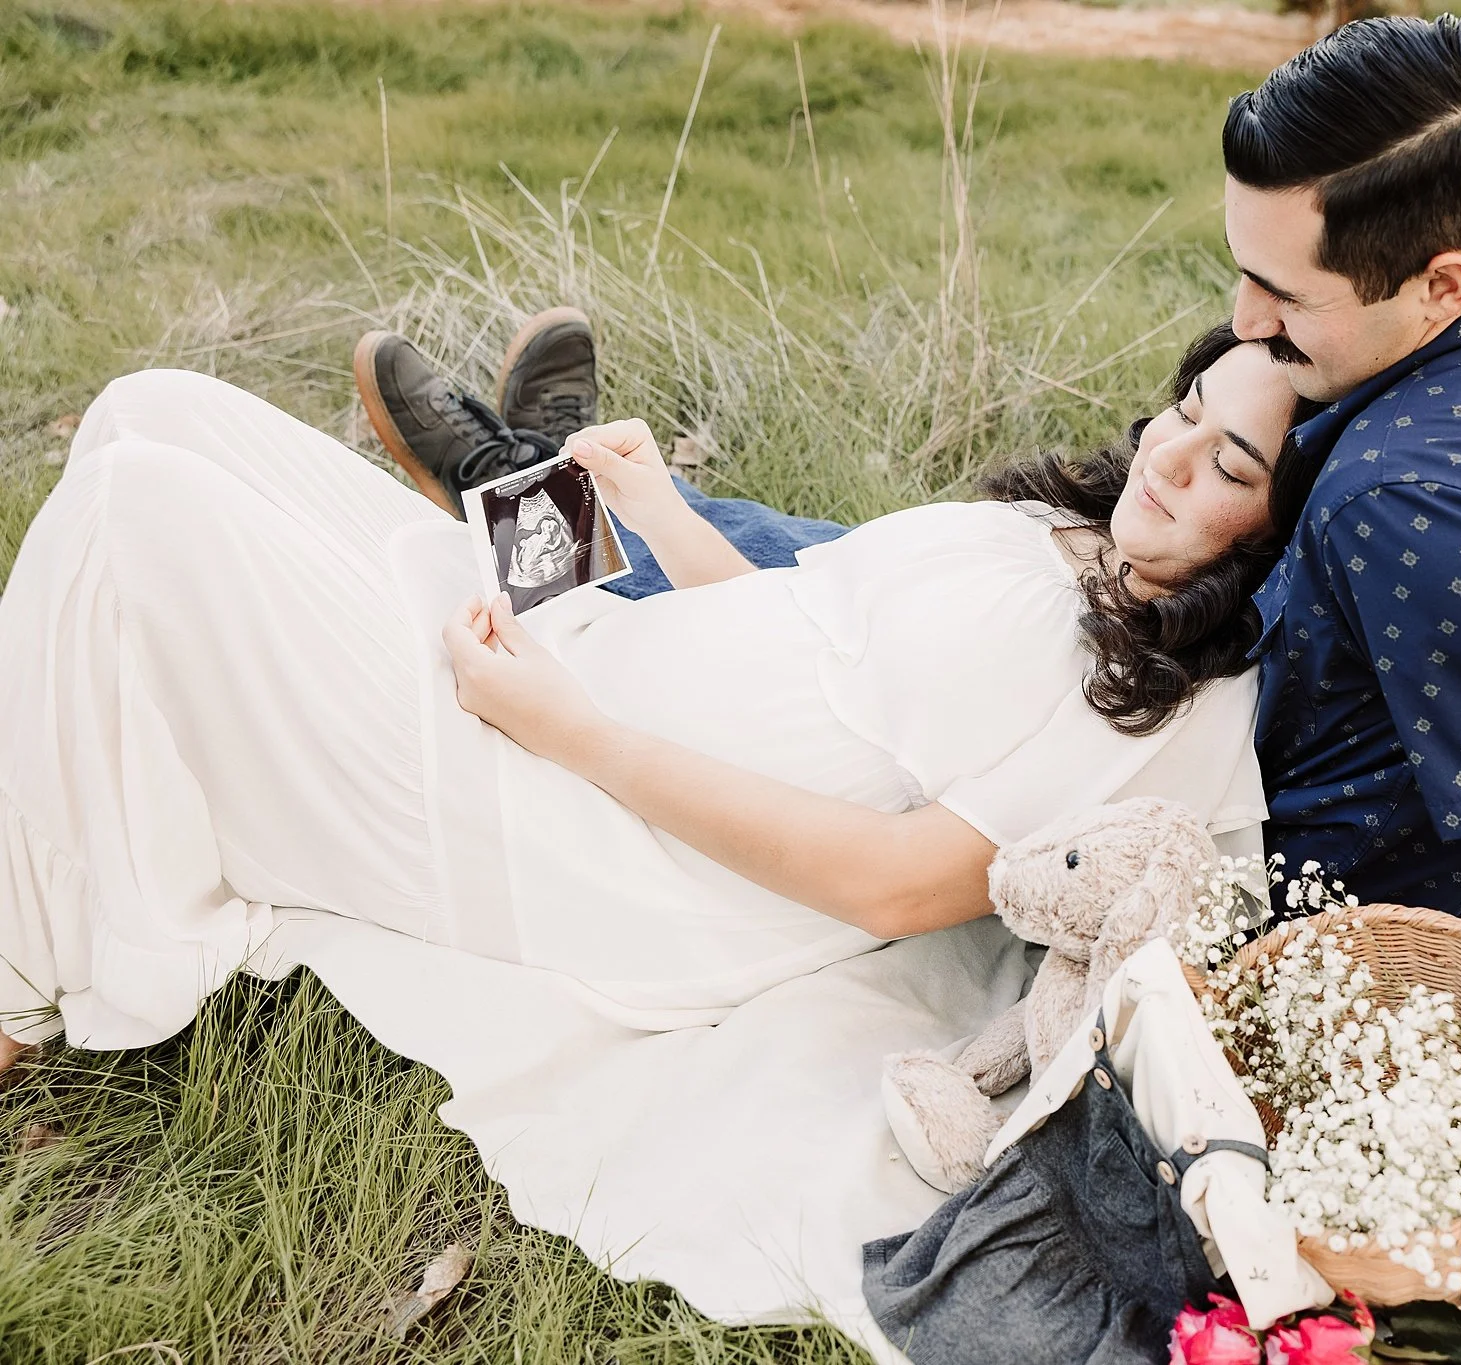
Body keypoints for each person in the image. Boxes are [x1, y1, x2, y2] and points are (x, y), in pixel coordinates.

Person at [347, 18, 1461, 1364]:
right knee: (882, 578)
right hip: (1213, 685)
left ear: (1445, 279)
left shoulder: (1428, 515)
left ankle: (522, 500)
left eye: (1281, 293)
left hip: (1193, 830)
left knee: (850, 623)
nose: (1243, 319)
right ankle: (541, 487)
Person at [0, 325, 1316, 1078]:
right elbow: (802, 628)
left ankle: (10, 980)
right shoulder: (1059, 532)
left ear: (1282, 534)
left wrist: (572, 735)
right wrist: (661, 509)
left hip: (586, 834)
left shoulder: (1144, 698)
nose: (1170, 456)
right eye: (1185, 411)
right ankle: (532, 480)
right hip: (585, 681)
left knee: (136, 509)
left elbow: (893, 887)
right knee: (149, 409)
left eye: (1230, 465)